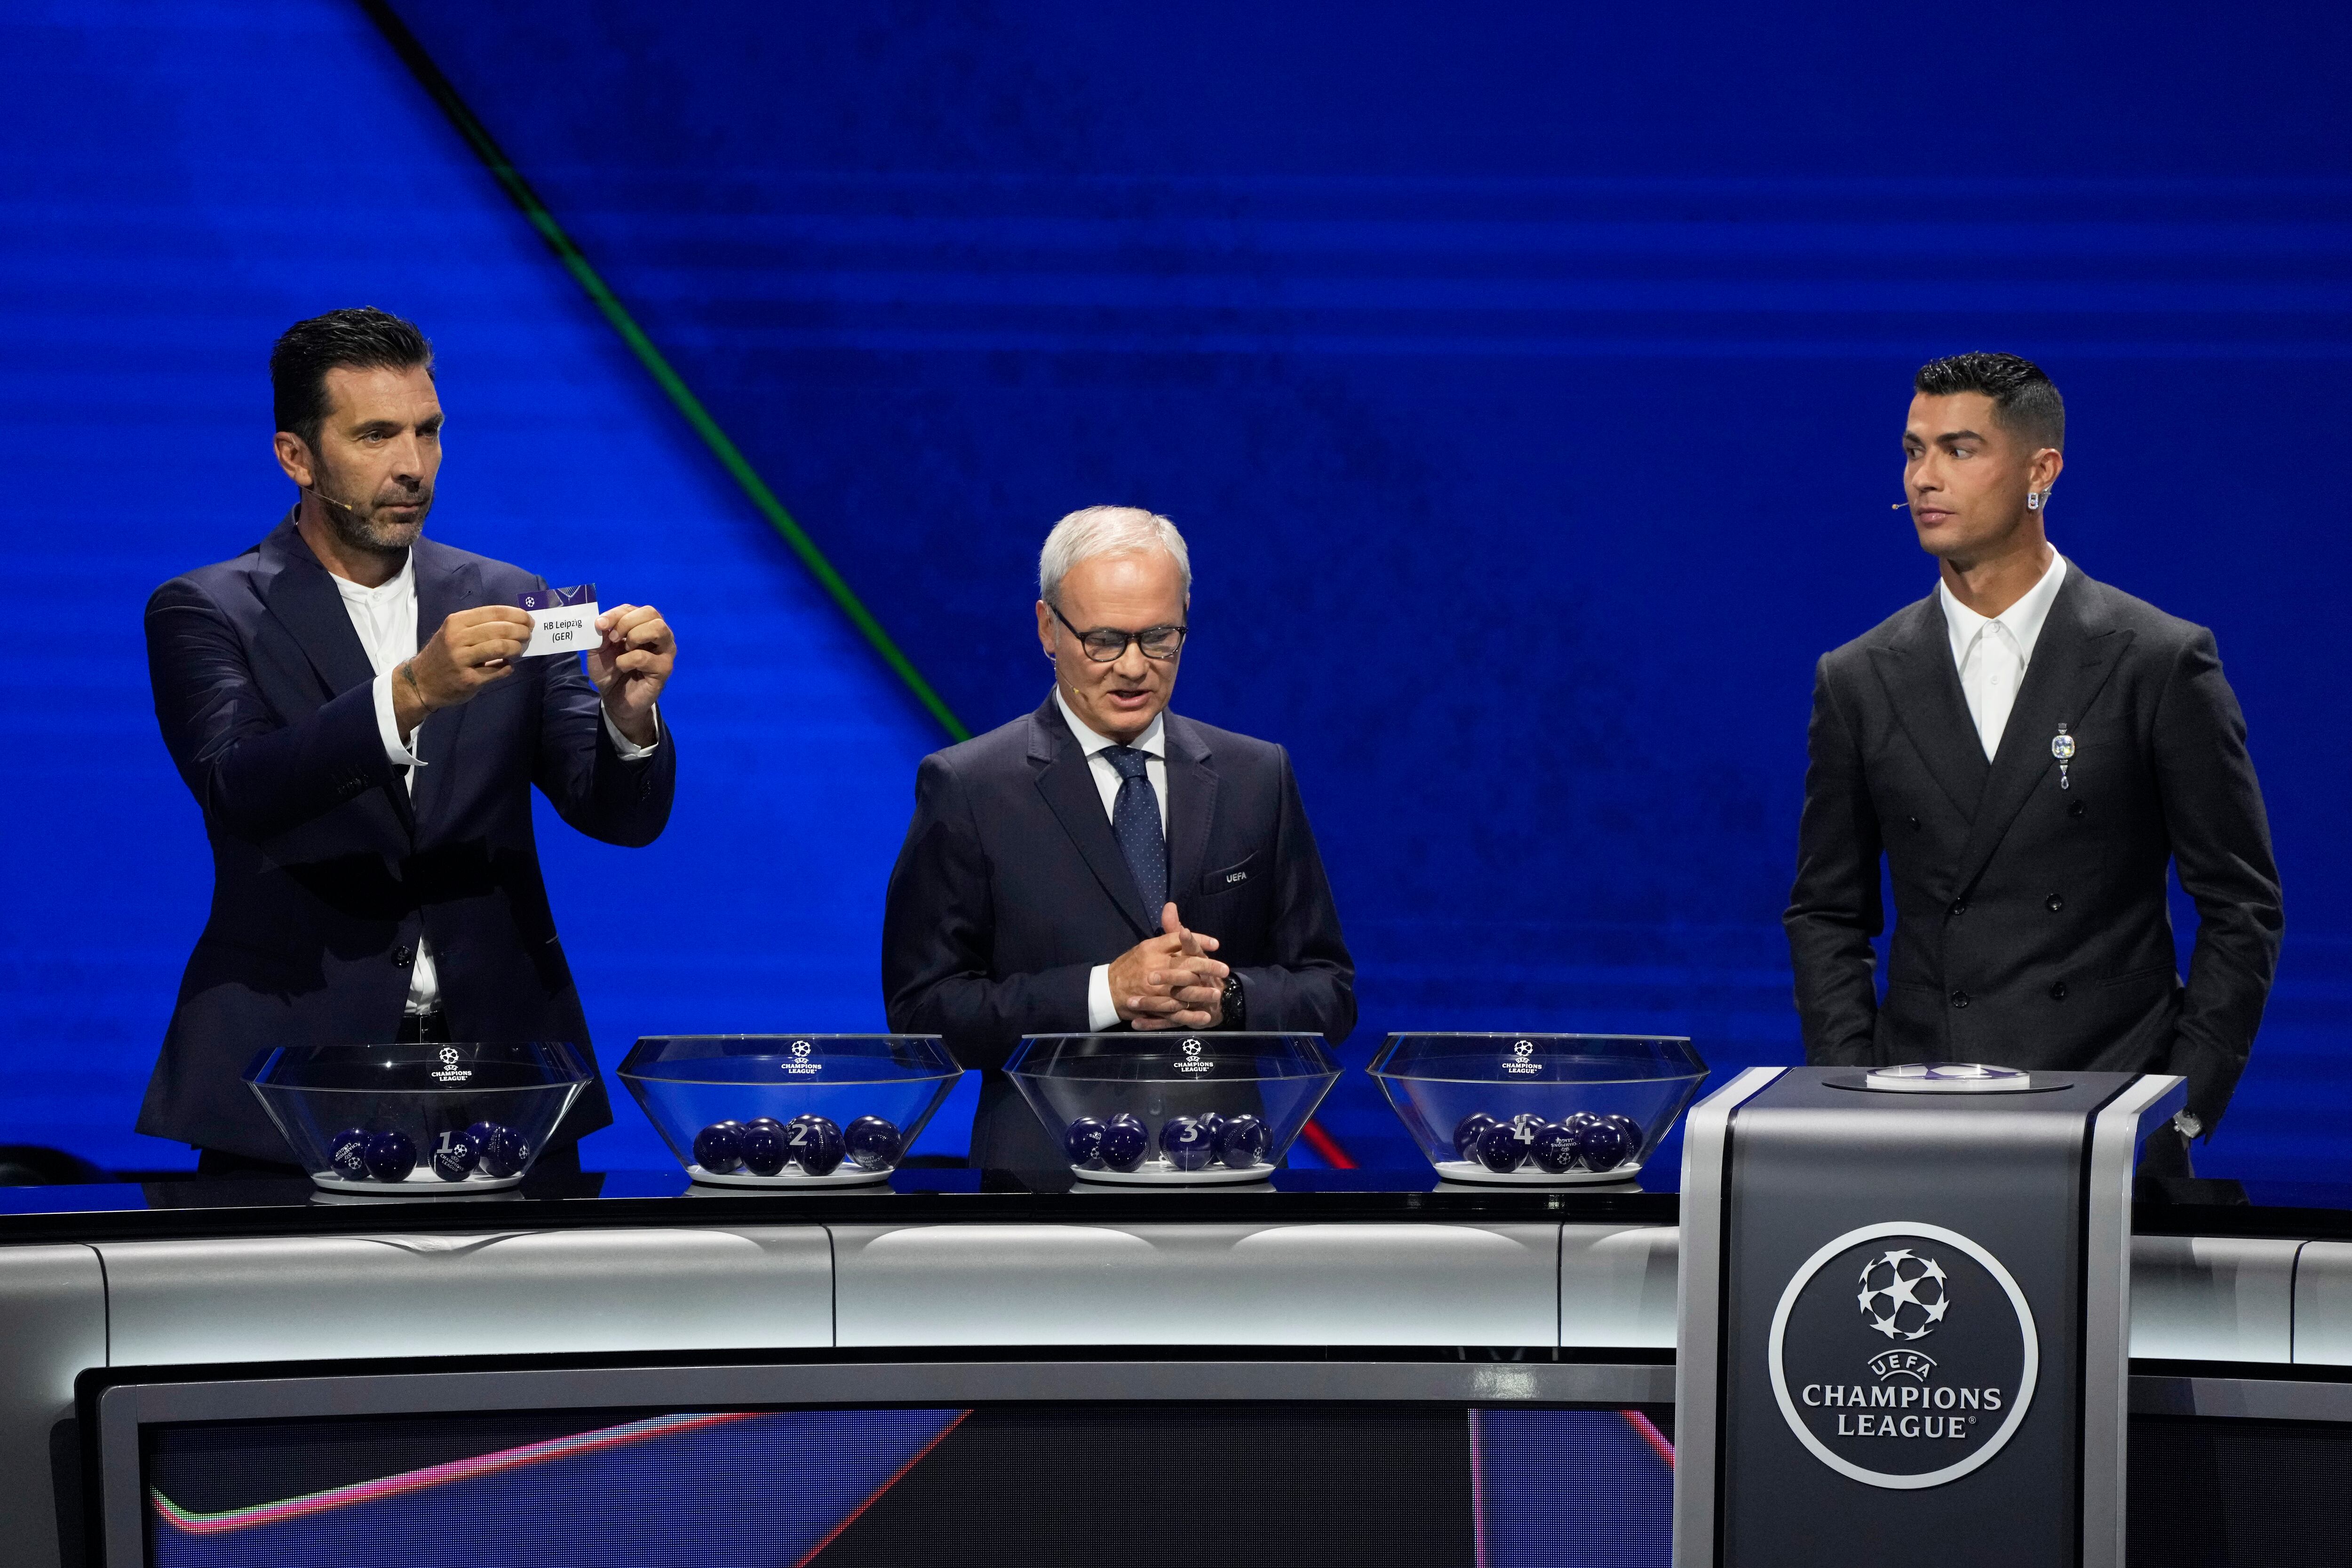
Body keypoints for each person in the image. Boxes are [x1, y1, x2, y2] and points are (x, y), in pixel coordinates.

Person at [140, 308, 678, 1173]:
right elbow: (241, 786)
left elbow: (619, 816)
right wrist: (412, 693)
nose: (413, 466)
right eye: (376, 435)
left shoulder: (509, 593)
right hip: (291, 1086)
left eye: (427, 431)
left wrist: (628, 718)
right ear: (297, 456)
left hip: (506, 1081)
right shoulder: (208, 610)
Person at [1784, 352, 2281, 1174]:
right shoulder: (1858, 676)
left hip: (2106, 1116)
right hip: (1917, 1118)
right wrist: (1854, 1087)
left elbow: (2242, 905)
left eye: (1960, 449)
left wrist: (2180, 1110)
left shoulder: (2157, 660)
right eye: (1914, 451)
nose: (1925, 477)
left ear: (2039, 472)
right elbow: (1826, 912)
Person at [883, 506, 1355, 1168]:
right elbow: (923, 1017)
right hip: (1043, 1192)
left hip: (1225, 1177)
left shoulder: (1257, 776)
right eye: (1104, 640)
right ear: (1048, 628)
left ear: (1186, 618)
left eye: (1158, 637)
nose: (1133, 667)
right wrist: (1107, 990)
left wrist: (1228, 997)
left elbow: (1330, 992)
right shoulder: (969, 787)